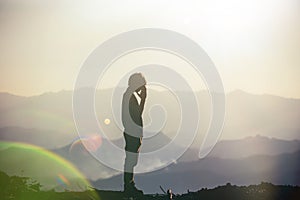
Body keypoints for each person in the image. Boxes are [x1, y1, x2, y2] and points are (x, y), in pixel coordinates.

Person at [121, 73, 147, 195]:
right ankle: (129, 187)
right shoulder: (130, 97)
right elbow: (137, 115)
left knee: (131, 160)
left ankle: (129, 185)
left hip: (131, 132)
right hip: (132, 133)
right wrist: (143, 99)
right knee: (131, 160)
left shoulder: (128, 95)